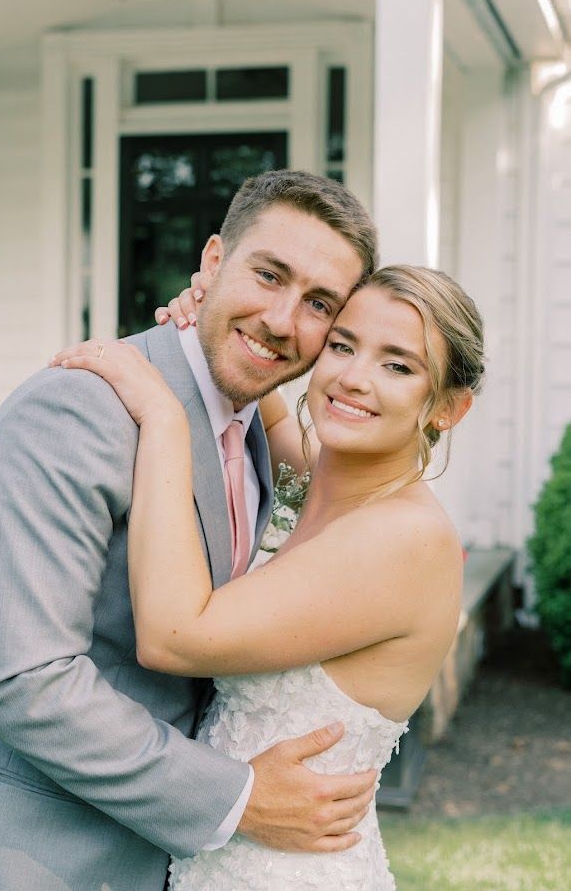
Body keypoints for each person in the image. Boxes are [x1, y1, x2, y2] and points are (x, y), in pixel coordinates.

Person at [0, 171, 379, 891]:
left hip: (178, 862)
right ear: (213, 260)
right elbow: (24, 681)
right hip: (48, 857)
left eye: (318, 303)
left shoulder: (256, 427)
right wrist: (239, 796)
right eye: (268, 274)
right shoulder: (77, 410)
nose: (284, 321)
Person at [50, 263, 485, 889]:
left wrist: (163, 415)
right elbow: (274, 421)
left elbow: (174, 635)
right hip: (229, 851)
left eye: (397, 365)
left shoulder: (402, 538)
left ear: (447, 406)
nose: (353, 378)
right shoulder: (330, 481)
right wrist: (219, 326)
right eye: (342, 345)